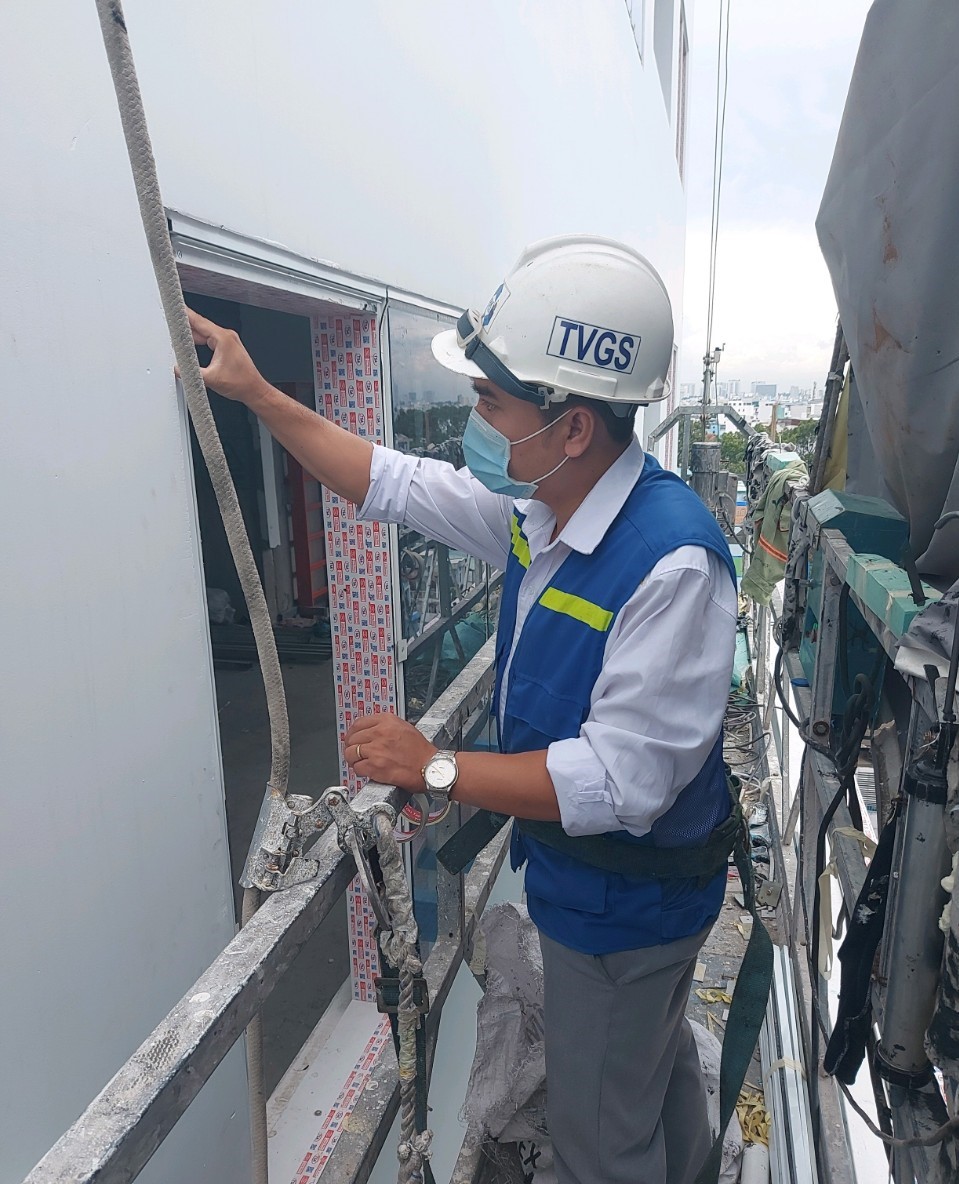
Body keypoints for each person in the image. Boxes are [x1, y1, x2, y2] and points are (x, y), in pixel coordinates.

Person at [188, 234, 737, 1184]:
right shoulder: (547, 516)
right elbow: (394, 483)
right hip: (607, 888)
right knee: (651, 1073)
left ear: (572, 427)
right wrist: (257, 393)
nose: (475, 421)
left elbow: (621, 782)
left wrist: (434, 766)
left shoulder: (671, 563)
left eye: (490, 401)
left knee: (600, 1140)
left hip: (624, 909)